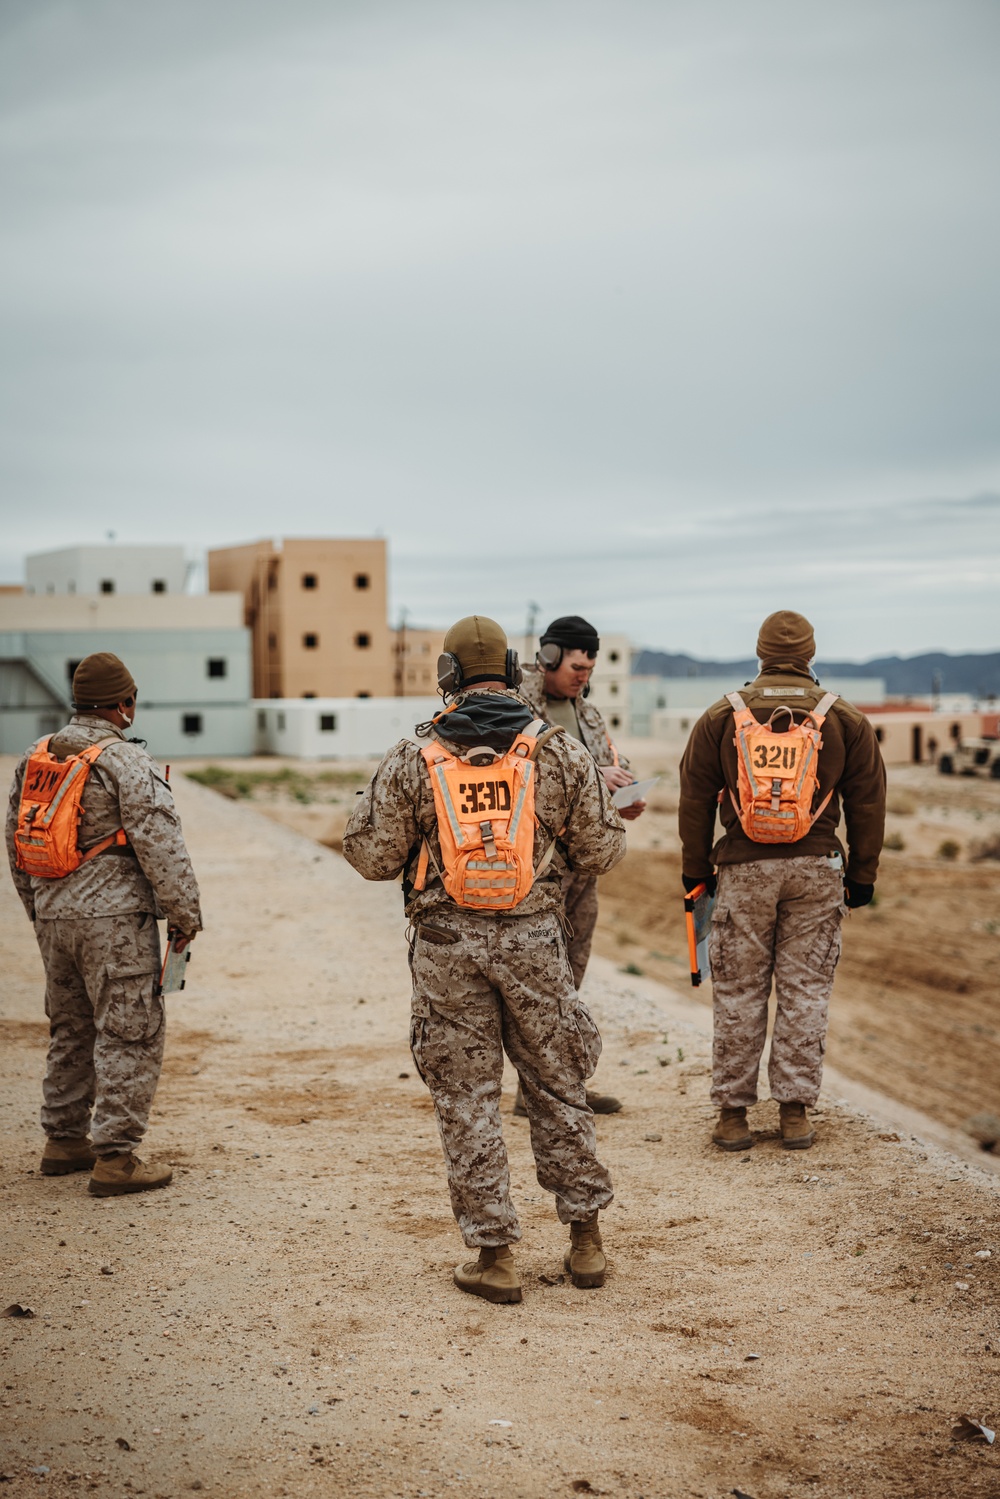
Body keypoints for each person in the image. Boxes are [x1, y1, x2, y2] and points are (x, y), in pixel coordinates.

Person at [343, 616, 626, 1302]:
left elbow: (372, 856)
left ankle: (495, 1256)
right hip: (534, 940)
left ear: (447, 673)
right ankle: (584, 1240)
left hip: (446, 947)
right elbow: (603, 852)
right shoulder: (558, 751)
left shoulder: (414, 757)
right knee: (557, 1082)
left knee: (466, 1097)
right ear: (509, 665)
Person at [678, 611, 885, 1151]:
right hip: (817, 870)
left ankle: (732, 1116)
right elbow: (868, 804)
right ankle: (794, 1113)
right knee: (805, 989)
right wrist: (862, 875)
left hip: (743, 870)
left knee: (740, 988)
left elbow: (695, 799)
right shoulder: (844, 718)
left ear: (760, 651)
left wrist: (696, 869)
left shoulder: (723, 716)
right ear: (811, 654)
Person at [5, 653, 202, 1195]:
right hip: (114, 926)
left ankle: (64, 1140)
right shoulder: (124, 762)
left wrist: (39, 910)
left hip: (53, 918)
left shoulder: (35, 757)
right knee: (129, 1031)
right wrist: (186, 919)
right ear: (126, 704)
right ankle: (115, 1158)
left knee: (70, 1028)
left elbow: (16, 844)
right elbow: (161, 847)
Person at [516, 614, 645, 1116]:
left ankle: (558, 1084)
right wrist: (597, 775)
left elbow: (604, 768)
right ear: (548, 658)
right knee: (540, 980)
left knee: (570, 978)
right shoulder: (518, 708)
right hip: (539, 866)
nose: (583, 674)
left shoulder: (587, 714)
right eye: (575, 665)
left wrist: (623, 797)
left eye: (589, 666)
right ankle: (539, 1091)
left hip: (582, 865)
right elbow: (526, 770)